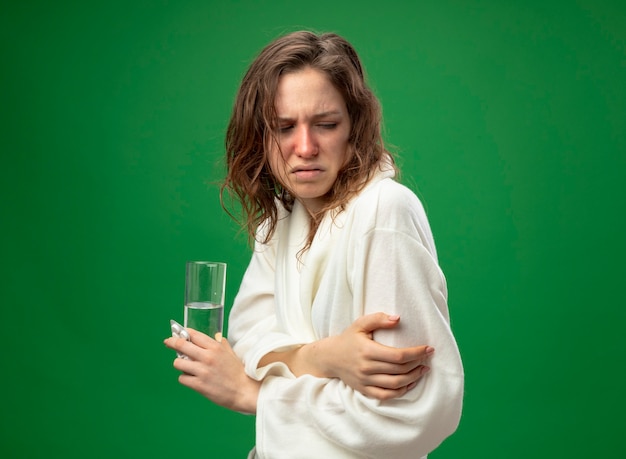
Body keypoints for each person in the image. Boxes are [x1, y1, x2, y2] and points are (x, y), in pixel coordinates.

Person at [165, 30, 464, 458]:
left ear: (354, 127)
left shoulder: (386, 213)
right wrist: (325, 357)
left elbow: (411, 412)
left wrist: (255, 396)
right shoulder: (287, 215)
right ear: (260, 137)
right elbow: (248, 339)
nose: (304, 148)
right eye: (284, 127)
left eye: (326, 124)